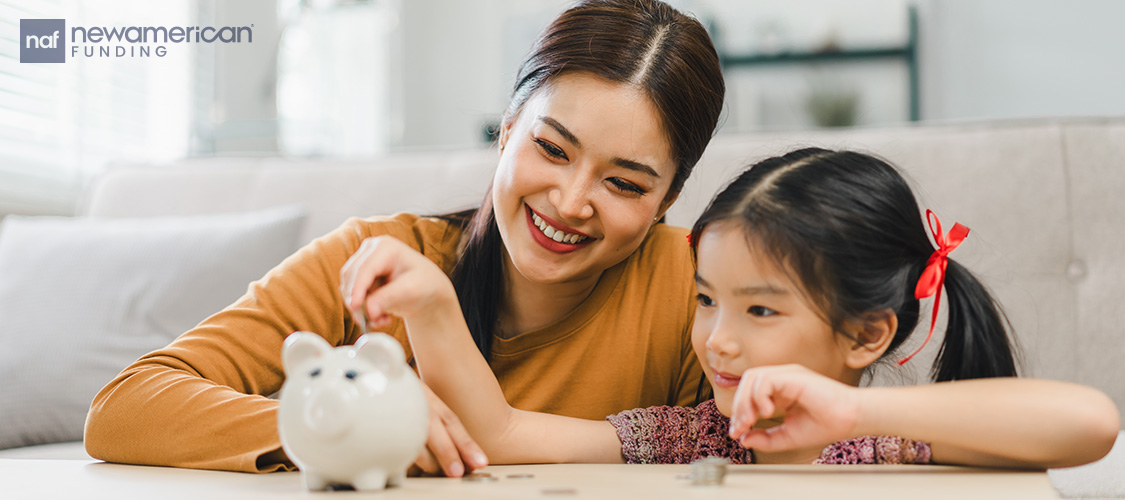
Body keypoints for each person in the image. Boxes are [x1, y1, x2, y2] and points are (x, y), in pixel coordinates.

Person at [84, 0, 725, 475]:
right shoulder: (380, 261)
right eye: (552, 149)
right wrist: (339, 426)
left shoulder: (698, 283)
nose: (571, 201)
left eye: (625, 184)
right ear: (505, 132)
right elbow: (125, 408)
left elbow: (754, 445)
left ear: (667, 198)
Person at [375, 148, 1120, 467]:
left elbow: (1091, 424)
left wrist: (855, 415)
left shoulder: (895, 443)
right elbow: (500, 435)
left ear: (865, 335)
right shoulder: (690, 439)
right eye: (704, 300)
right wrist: (433, 309)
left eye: (758, 312)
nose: (715, 341)